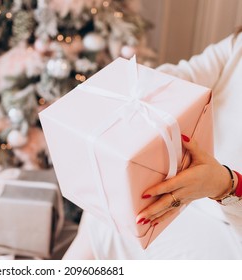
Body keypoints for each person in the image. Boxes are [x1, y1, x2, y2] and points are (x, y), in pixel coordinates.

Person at [63, 27, 242, 259]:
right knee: (104, 222)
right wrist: (141, 89)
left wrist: (225, 184)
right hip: (186, 198)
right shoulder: (237, 45)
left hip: (233, 234)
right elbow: (185, 75)